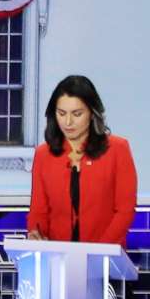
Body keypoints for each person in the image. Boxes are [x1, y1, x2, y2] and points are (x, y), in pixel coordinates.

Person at [26, 75, 137, 247]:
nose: (68, 122)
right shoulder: (43, 154)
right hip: (57, 260)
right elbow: (39, 210)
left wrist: (98, 252)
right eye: (61, 113)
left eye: (77, 114)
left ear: (92, 113)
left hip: (106, 261)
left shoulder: (117, 149)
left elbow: (124, 211)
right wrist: (36, 236)